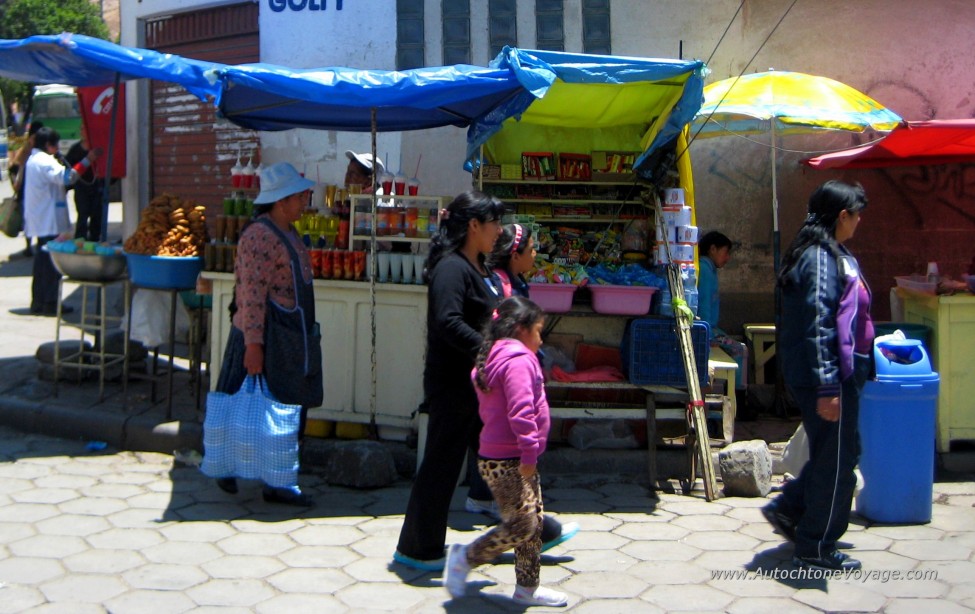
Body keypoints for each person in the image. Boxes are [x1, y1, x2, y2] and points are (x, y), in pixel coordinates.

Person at [762, 180, 873, 572]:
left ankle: (792, 508)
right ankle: (816, 544)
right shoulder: (821, 258)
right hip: (830, 376)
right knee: (836, 462)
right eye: (856, 215)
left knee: (840, 453)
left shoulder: (829, 252)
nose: (859, 222)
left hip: (841, 372)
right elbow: (818, 323)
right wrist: (828, 385)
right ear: (842, 216)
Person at [393, 190, 506, 571]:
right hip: (454, 385)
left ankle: (534, 527)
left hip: (478, 386)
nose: (499, 231)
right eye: (494, 223)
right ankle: (418, 549)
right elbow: (448, 321)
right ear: (474, 225)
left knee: (499, 459)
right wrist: (492, 352)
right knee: (442, 466)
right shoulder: (452, 269)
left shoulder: (480, 266)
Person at [443, 296, 568, 607]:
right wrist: (529, 453)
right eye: (538, 332)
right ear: (521, 329)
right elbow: (521, 412)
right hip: (510, 459)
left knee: (533, 524)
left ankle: (527, 588)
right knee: (522, 525)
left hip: (509, 456)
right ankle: (466, 557)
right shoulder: (518, 361)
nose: (541, 340)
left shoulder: (498, 356)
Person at [213, 161, 320, 507]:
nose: (304, 200)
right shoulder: (260, 236)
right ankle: (226, 464)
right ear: (281, 200)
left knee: (286, 407)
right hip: (262, 336)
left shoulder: (289, 233)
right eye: (299, 196)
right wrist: (253, 345)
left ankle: (278, 479)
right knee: (240, 401)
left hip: (289, 335)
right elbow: (252, 294)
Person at [486, 223, 579, 548]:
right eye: (531, 249)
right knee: (512, 451)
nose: (536, 254)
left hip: (515, 374)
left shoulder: (515, 283)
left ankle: (512, 516)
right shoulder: (502, 287)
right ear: (516, 255)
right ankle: (531, 528)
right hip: (511, 378)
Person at [23, 127, 96, 315]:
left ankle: (39, 301)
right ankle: (50, 302)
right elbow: (68, 177)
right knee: (51, 263)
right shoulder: (45, 161)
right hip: (48, 220)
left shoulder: (34, 160)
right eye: (55, 145)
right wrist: (87, 160)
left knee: (41, 263)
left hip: (41, 219)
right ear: (49, 145)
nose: (57, 149)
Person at [696, 230, 749, 393]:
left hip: (710, 329)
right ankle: (737, 395)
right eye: (725, 252)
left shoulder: (709, 269)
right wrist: (708, 336)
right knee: (739, 350)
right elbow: (703, 306)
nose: (727, 258)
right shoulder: (705, 270)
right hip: (706, 331)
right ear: (713, 249)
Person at [9, 121, 43, 258]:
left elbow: (14, 169)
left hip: (29, 190)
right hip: (29, 190)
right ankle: (32, 245)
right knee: (32, 218)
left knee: (31, 218)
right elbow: (16, 168)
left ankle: (32, 245)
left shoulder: (28, 149)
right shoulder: (28, 150)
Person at [65, 133, 106, 242]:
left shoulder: (98, 148)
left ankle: (95, 239)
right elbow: (69, 170)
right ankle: (80, 239)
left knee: (97, 215)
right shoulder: (75, 149)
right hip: (81, 187)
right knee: (82, 214)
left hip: (96, 186)